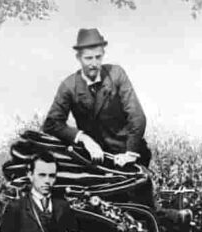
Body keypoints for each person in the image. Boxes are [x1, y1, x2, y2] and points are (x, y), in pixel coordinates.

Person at [42, 27, 150, 168]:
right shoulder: (68, 86)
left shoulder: (116, 74)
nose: (94, 64)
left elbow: (137, 117)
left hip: (130, 156)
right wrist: (84, 139)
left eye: (98, 57)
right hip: (96, 159)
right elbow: (52, 123)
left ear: (103, 54)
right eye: (88, 58)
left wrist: (130, 154)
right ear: (78, 58)